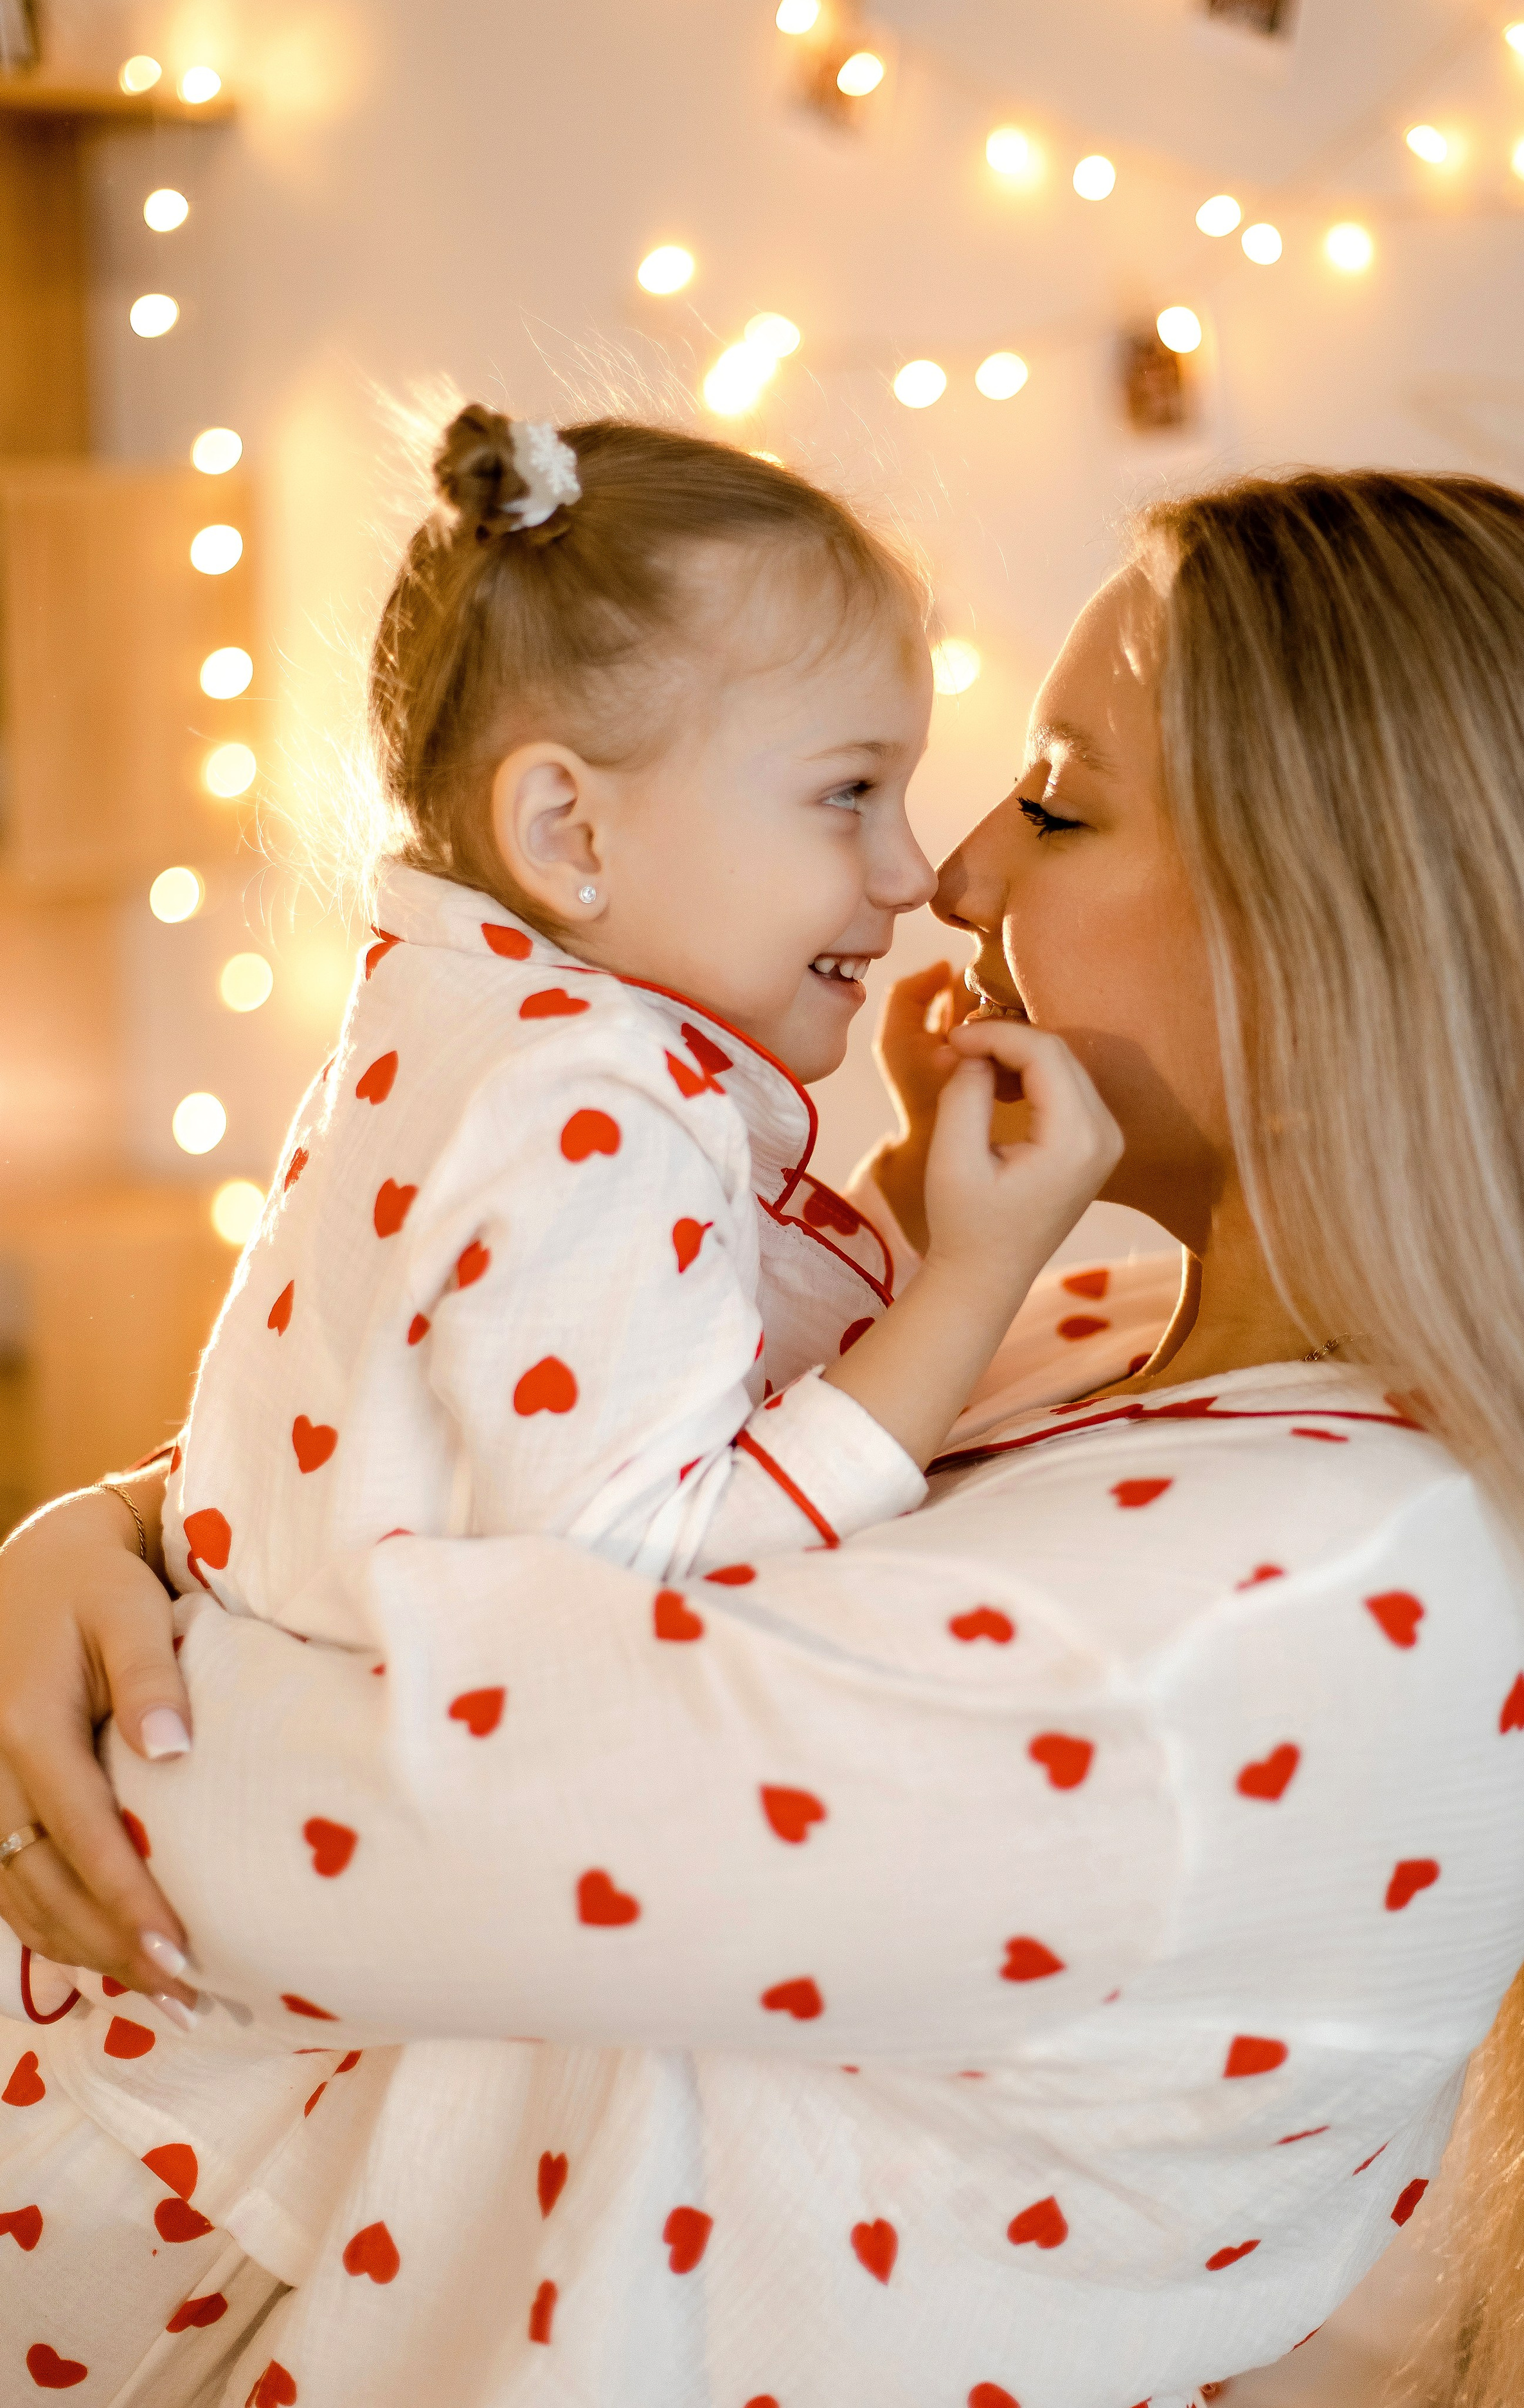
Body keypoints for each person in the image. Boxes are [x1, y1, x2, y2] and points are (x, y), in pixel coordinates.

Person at [1, 467, 1524, 2408]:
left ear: (1333, 944)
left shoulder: (1320, 1607)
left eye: (1060, 804)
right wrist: (109, 1536)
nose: (957, 879)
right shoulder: (1113, 1336)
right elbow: (555, 1489)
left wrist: (119, 1654)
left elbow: (357, 1834)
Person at [0, 402, 1118, 2399]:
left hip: (182, 2003)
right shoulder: (583, 1105)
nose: (910, 871)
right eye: (849, 793)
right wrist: (963, 1283)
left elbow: (608, 1389)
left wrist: (885, 1203)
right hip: (192, 2085)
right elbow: (644, 1569)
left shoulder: (489, 1020)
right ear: (572, 833)